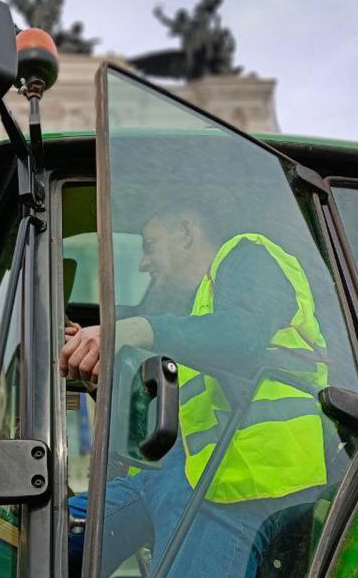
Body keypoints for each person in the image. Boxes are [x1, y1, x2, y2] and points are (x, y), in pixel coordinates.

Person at [62, 202, 333, 577]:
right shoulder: (196, 314)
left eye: (149, 245)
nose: (143, 263)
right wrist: (101, 381)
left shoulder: (249, 254)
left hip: (247, 482)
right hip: (173, 476)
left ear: (186, 233)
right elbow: (166, 422)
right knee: (33, 537)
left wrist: (137, 328)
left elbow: (243, 336)